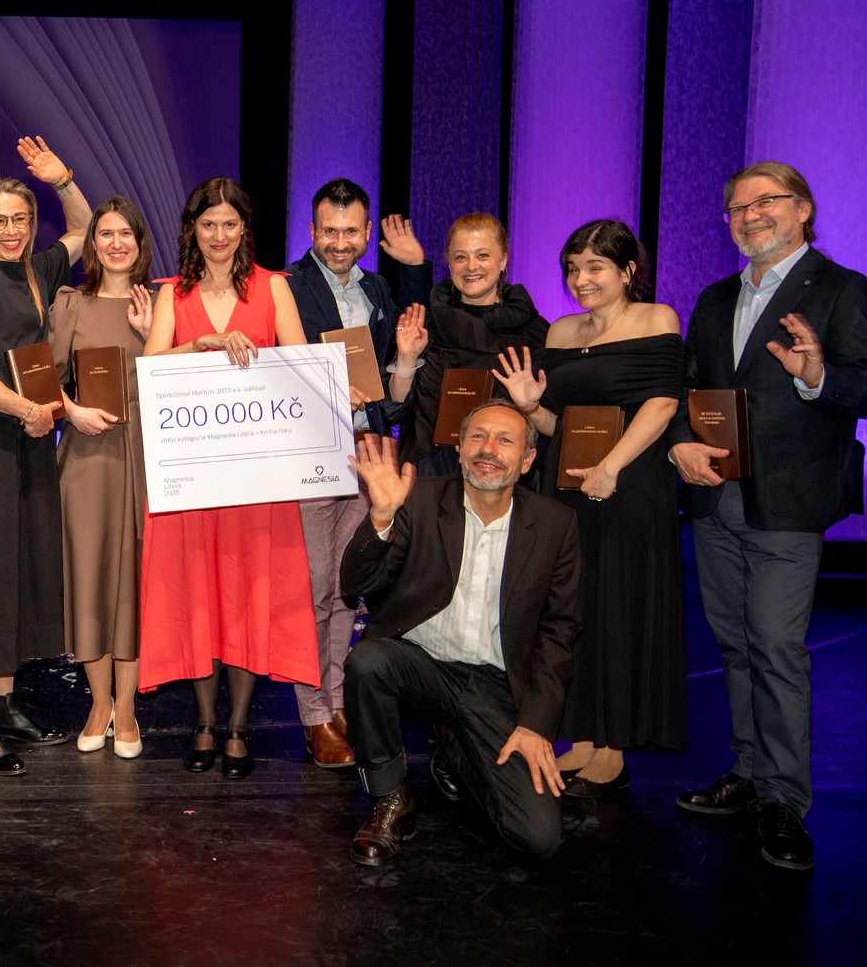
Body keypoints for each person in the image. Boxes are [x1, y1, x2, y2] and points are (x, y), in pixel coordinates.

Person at [667, 161, 867, 871]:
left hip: (789, 503)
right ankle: (748, 773)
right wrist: (679, 442)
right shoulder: (714, 298)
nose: (750, 215)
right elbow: (687, 387)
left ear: (803, 210)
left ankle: (784, 800)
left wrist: (818, 376)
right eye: (737, 207)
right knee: (736, 645)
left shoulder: (843, 290)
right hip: (715, 498)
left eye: (766, 201)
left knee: (775, 646)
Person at [339, 405, 581, 864]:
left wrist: (535, 724)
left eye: (505, 441)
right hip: (421, 666)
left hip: (496, 686)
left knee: (539, 838)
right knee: (368, 663)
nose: (488, 449)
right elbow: (355, 585)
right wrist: (381, 518)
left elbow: (559, 631)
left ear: (527, 460)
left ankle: (457, 750)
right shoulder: (419, 499)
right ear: (459, 448)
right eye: (478, 437)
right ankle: (391, 799)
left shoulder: (555, 524)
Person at [494, 221, 685, 796]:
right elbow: (560, 426)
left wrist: (611, 467)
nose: (581, 279)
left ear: (628, 270)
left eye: (595, 267)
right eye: (573, 268)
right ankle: (579, 737)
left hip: (630, 488)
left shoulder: (657, 319)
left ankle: (612, 751)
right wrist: (530, 407)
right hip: (567, 489)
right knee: (572, 610)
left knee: (620, 607)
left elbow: (662, 404)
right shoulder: (560, 331)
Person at [139, 177, 316, 780]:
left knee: (246, 595)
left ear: (245, 229)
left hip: (258, 479)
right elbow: (148, 367)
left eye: (229, 224)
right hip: (192, 478)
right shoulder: (172, 292)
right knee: (197, 596)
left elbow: (300, 367)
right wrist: (203, 344)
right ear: (193, 230)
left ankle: (238, 726)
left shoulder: (274, 287)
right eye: (208, 224)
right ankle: (204, 723)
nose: (219, 235)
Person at [0, 137, 90, 774]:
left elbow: (83, 230)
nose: (11, 231)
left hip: (29, 445)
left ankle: (5, 707)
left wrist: (62, 180)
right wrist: (26, 409)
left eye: (21, 219)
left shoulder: (35, 271)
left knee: (16, 577)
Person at [284, 178, 425, 768]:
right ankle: (314, 716)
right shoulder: (288, 286)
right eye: (329, 231)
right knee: (313, 590)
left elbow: (393, 377)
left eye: (350, 232)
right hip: (310, 452)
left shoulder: (376, 288)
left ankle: (338, 703)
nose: (340, 243)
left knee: (348, 587)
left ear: (367, 232)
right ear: (311, 231)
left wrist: (404, 362)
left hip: (369, 449)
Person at [49, 196, 155, 759]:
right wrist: (70, 411)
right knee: (89, 575)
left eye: (125, 234)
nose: (116, 244)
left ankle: (128, 708)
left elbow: (184, 378)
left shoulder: (161, 303)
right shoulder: (70, 303)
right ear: (92, 244)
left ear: (140, 242)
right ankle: (98, 704)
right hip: (88, 456)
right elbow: (42, 380)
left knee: (134, 581)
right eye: (106, 234)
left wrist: (153, 333)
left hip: (147, 457)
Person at [384, 213, 550, 473]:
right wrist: (406, 360)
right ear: (449, 263)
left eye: (482, 255)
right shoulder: (426, 323)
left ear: (503, 259)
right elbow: (394, 410)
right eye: (460, 257)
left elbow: (546, 425)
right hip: (429, 473)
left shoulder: (535, 332)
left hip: (500, 475)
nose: (471, 266)